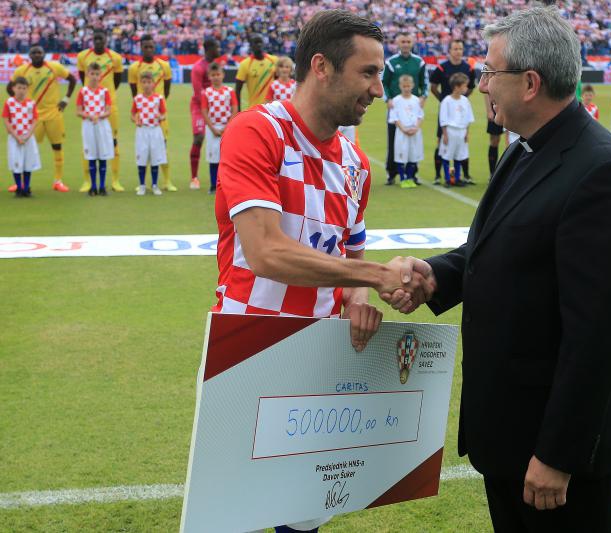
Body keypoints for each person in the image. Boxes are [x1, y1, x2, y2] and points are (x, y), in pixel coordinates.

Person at [382, 6, 611, 531]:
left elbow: (597, 333)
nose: (482, 85)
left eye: (489, 72)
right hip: (507, 435)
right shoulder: (524, 147)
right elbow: (497, 249)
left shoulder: (603, 172)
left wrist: (558, 454)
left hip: (551, 455)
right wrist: (437, 275)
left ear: (530, 83)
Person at [215, 11, 428, 532]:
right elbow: (267, 252)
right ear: (321, 67)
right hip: (250, 347)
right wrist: (378, 278)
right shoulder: (256, 131)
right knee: (236, 511)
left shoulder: (356, 163)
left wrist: (360, 299)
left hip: (320, 357)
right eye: (368, 73)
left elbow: (349, 262)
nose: (378, 88)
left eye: (380, 74)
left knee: (303, 517)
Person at [7, 46, 75, 193]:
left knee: (57, 146)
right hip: (32, 116)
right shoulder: (22, 70)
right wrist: (19, 104)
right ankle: (20, 183)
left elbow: (72, 79)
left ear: (44, 54)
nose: (37, 55)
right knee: (24, 146)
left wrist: (66, 99)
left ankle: (58, 181)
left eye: (39, 52)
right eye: (34, 53)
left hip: (53, 113)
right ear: (29, 55)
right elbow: (9, 87)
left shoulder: (54, 67)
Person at [76, 28, 124, 192]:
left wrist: (106, 96)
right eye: (95, 39)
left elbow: (117, 81)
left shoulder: (115, 58)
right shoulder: (83, 56)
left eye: (100, 39)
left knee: (113, 142)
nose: (98, 42)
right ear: (92, 40)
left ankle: (115, 180)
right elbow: (82, 77)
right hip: (89, 108)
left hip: (108, 107)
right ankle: (87, 181)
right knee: (88, 144)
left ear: (105, 40)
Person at [129, 34, 176, 191]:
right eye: (145, 47)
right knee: (143, 150)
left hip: (158, 116)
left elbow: (167, 89)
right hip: (144, 118)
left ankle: (166, 181)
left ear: (154, 47)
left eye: (151, 46)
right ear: (141, 48)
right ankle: (143, 183)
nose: (148, 49)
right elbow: (134, 92)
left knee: (162, 147)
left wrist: (157, 106)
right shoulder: (134, 68)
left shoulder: (164, 66)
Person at [381, 31, 428, 185]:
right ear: (398, 44)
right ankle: (392, 173)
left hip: (412, 108)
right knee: (394, 141)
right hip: (396, 108)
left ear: (412, 43)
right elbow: (384, 83)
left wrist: (423, 97)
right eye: (403, 42)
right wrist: (387, 99)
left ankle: (412, 174)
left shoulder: (419, 62)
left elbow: (424, 83)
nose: (406, 44)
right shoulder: (391, 62)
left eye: (408, 41)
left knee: (413, 142)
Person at [429, 40, 476, 184]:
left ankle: (465, 175)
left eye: (460, 49)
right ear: (449, 51)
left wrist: (462, 100)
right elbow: (433, 87)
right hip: (447, 113)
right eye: (455, 49)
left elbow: (471, 87)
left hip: (460, 112)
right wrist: (442, 99)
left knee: (461, 144)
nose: (458, 51)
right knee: (441, 142)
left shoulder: (468, 68)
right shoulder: (442, 68)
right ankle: (438, 176)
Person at [76, 62, 114, 196]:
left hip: (102, 125)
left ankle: (102, 186)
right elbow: (78, 111)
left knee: (102, 155)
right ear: (87, 74)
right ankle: (93, 186)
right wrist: (89, 116)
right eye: (92, 73)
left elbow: (108, 111)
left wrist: (99, 116)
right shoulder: (83, 91)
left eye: (97, 74)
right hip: (88, 125)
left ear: (101, 76)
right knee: (91, 156)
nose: (94, 77)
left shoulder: (105, 91)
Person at [201, 63, 238, 194]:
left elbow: (235, 109)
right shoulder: (206, 93)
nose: (216, 77)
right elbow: (204, 111)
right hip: (212, 129)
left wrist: (227, 127)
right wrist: (212, 128)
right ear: (209, 77)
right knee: (213, 158)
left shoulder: (229, 91)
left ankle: (226, 185)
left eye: (218, 74)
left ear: (223, 75)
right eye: (213, 75)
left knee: (226, 157)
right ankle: (213, 185)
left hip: (227, 128)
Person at [190, 38, 221, 190]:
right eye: (217, 47)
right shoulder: (198, 68)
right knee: (199, 138)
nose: (219, 50)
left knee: (219, 138)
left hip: (215, 106)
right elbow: (197, 93)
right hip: (199, 106)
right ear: (209, 49)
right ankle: (194, 178)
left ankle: (219, 179)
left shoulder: (217, 66)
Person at [131, 71, 167, 196]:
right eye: (144, 82)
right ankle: (142, 185)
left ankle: (155, 185)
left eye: (149, 82)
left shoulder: (159, 98)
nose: (147, 85)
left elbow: (163, 114)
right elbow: (132, 114)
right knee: (141, 158)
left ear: (153, 84)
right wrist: (136, 120)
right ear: (140, 84)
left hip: (155, 130)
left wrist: (160, 117)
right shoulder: (137, 99)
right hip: (142, 131)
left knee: (155, 158)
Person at [3, 77, 40, 197]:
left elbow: (35, 120)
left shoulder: (31, 103)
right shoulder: (9, 103)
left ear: (27, 89)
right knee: (16, 162)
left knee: (28, 162)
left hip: (28, 138)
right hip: (15, 138)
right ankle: (19, 188)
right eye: (19, 88)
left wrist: (28, 135)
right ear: (13, 88)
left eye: (24, 88)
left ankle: (26, 188)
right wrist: (16, 136)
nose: (21, 91)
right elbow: (6, 121)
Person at [438, 73, 474, 187]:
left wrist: (467, 133)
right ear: (457, 87)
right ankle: (448, 179)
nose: (466, 88)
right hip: (450, 131)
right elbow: (443, 119)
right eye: (464, 86)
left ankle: (457, 178)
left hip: (461, 131)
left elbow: (468, 118)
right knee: (448, 155)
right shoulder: (447, 101)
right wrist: (445, 134)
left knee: (459, 155)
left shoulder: (465, 101)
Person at [389, 74, 424, 188]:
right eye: (404, 86)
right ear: (400, 86)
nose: (406, 88)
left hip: (414, 132)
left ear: (412, 86)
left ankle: (410, 178)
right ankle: (403, 179)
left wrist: (416, 127)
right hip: (402, 132)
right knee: (401, 155)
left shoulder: (416, 100)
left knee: (412, 156)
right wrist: (403, 128)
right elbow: (394, 117)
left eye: (408, 86)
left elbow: (420, 115)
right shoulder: (396, 100)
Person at [235, 34, 278, 110]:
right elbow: (238, 89)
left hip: (272, 108)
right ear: (251, 45)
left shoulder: (274, 60)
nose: (259, 45)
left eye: (260, 42)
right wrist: (238, 109)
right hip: (255, 109)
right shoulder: (245, 64)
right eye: (256, 42)